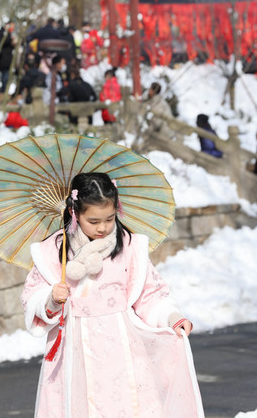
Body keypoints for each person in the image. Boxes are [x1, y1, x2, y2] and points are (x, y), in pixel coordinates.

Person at [21, 172, 204, 418]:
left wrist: (171, 317)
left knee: (127, 405)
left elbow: (149, 292)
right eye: (93, 221)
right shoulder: (53, 251)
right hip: (74, 349)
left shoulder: (128, 245)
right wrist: (51, 299)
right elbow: (31, 296)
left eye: (109, 218)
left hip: (122, 344)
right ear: (75, 213)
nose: (103, 227)